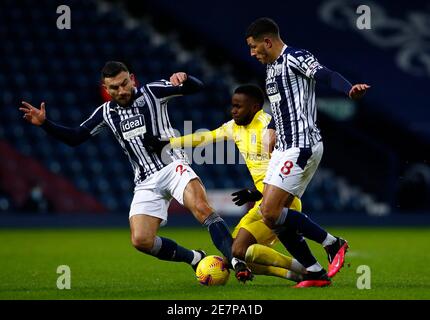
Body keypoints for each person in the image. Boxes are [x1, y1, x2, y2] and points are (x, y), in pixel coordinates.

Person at [18, 61, 253, 282]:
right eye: (114, 87)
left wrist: (185, 78)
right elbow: (75, 137)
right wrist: (45, 124)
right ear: (106, 89)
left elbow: (197, 88)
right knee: (141, 240)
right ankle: (195, 258)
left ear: (132, 79)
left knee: (202, 208)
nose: (121, 91)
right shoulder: (106, 113)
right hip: (145, 180)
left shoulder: (153, 92)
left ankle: (236, 260)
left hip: (173, 165)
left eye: (124, 84)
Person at [245, 17, 370, 287]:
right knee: (276, 216)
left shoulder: (295, 57)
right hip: (283, 148)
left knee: (269, 211)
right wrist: (273, 128)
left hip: (302, 146)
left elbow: (325, 74)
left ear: (268, 41)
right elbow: (282, 105)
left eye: (255, 47)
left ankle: (333, 243)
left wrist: (348, 89)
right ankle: (314, 271)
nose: (252, 53)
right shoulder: (270, 69)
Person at [155, 84, 307, 282]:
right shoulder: (233, 127)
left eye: (238, 106)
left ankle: (305, 269)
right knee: (235, 253)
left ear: (254, 108)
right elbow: (205, 137)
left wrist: (258, 192)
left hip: (280, 202)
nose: (233, 110)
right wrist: (170, 143)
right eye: (232, 105)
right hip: (262, 201)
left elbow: (286, 171)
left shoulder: (268, 127)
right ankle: (295, 273)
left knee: (240, 250)